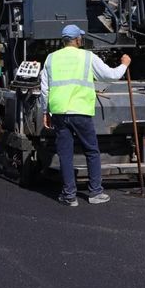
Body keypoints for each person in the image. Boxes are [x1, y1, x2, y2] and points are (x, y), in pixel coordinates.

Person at [40, 24, 132, 207]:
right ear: (77, 39)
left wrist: (45, 111)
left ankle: (69, 196)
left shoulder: (51, 58)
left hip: (59, 112)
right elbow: (111, 76)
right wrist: (124, 64)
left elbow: (45, 88)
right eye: (80, 37)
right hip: (81, 112)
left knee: (65, 154)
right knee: (91, 151)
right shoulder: (87, 57)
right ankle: (95, 193)